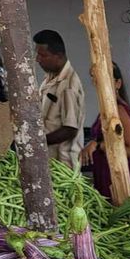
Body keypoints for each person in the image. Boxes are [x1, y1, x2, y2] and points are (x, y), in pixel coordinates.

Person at [80, 62, 130, 198]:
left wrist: (99, 145)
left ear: (118, 83)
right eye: (94, 77)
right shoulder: (106, 110)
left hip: (118, 177)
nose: (96, 82)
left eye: (104, 78)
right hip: (105, 173)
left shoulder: (120, 110)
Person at [34, 29, 85, 168]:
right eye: (37, 54)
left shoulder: (69, 84)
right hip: (49, 159)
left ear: (59, 56)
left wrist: (38, 142)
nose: (37, 59)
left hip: (63, 162)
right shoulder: (49, 78)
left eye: (42, 55)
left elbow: (70, 129)